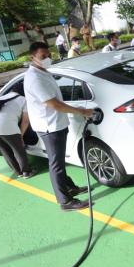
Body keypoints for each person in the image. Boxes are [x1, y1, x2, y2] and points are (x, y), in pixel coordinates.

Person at [24, 42, 95, 211]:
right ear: (32, 57)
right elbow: (55, 104)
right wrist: (82, 111)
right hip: (49, 126)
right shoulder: (34, 78)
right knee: (56, 163)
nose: (48, 58)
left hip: (56, 123)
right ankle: (65, 201)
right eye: (43, 56)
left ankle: (70, 187)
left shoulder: (42, 71)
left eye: (49, 55)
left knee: (59, 161)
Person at [0, 86, 36, 179]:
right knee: (18, 148)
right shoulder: (23, 100)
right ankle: (27, 172)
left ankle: (18, 172)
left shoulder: (0, 98)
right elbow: (26, 121)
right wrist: (21, 136)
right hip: (4, 126)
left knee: (4, 148)